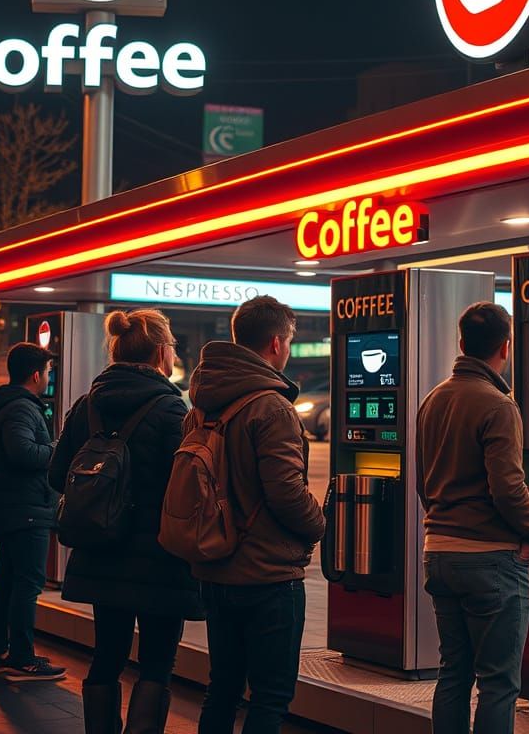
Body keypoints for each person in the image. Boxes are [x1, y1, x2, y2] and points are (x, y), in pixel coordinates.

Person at [50, 309, 201, 734]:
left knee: (107, 654)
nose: (173, 353)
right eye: (172, 346)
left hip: (101, 549)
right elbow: (185, 485)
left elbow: (56, 474)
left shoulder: (87, 405)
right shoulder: (173, 409)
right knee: (157, 663)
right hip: (161, 558)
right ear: (159, 352)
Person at [186, 295, 325, 734]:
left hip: (214, 566)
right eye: (288, 341)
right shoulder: (272, 406)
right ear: (275, 343)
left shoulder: (202, 404)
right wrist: (318, 525)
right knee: (270, 696)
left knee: (222, 687)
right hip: (268, 575)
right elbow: (286, 491)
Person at [416, 302, 529, 734]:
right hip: (490, 560)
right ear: (505, 347)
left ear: (461, 344)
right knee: (498, 682)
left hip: (439, 553)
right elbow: (507, 488)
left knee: (453, 671)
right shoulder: (498, 405)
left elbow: (422, 481)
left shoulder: (432, 400)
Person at [0, 341, 65, 681]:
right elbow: (24, 453)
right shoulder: (21, 409)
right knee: (28, 584)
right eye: (47, 372)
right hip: (25, 509)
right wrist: (57, 448)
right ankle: (22, 657)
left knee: (6, 582)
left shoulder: (10, 405)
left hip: (12, 508)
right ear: (35, 375)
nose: (48, 378)